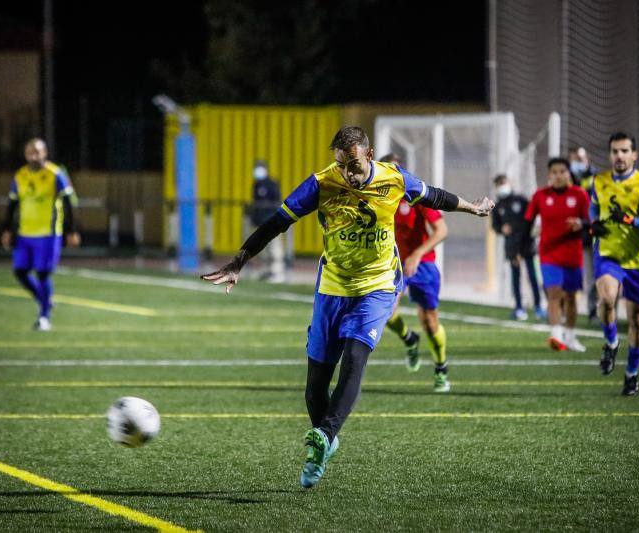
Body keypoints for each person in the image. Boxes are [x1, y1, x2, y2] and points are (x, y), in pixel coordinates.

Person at [202, 126, 493, 488]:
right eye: (341, 166)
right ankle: (328, 440)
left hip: (378, 285)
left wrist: (472, 207)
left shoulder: (394, 178)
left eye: (353, 165)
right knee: (313, 391)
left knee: (355, 359)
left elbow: (433, 196)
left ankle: (322, 437)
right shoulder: (321, 184)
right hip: (333, 287)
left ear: (368, 155)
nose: (348, 174)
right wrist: (239, 261)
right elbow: (277, 223)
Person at [589, 132, 639, 395]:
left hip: (637, 260)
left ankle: (632, 373)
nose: (619, 156)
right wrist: (593, 226)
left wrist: (631, 221)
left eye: (624, 151)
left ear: (634, 155)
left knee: (636, 320)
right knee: (608, 299)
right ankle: (611, 342)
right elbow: (593, 210)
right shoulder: (598, 181)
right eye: (615, 151)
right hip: (608, 255)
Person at [378, 153, 451, 393]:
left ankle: (441, 367)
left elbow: (441, 230)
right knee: (386, 311)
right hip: (393, 263)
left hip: (423, 264)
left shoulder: (417, 196)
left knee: (430, 322)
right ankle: (410, 339)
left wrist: (417, 254)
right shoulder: (377, 199)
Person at [1, 138, 80, 331]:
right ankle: (45, 299)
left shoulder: (55, 174)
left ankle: (44, 317)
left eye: (37, 152)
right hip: (25, 233)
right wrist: (8, 229)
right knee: (20, 272)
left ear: (45, 152)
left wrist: (72, 230)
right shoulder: (20, 175)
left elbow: (69, 203)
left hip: (48, 233)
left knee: (43, 274)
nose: (33, 156)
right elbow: (12, 204)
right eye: (30, 152)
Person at [524, 158, 590, 352]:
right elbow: (528, 221)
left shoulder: (579, 195)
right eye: (554, 172)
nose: (558, 175)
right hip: (548, 254)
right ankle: (556, 335)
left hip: (572, 255)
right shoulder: (540, 195)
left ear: (569, 174)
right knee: (553, 292)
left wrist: (581, 224)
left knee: (570, 297)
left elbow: (591, 221)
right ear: (549, 175)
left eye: (562, 171)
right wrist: (522, 247)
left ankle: (570, 336)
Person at [491, 174, 544, 321]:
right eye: (499, 184)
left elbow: (530, 221)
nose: (502, 186)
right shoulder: (497, 206)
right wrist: (502, 229)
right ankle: (519, 307)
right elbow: (495, 226)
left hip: (527, 246)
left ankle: (539, 306)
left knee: (533, 277)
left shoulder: (521, 200)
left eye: (504, 182)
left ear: (509, 183)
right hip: (512, 248)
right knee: (515, 278)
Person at [569, 146, 600, 322]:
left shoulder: (596, 179)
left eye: (580, 159)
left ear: (587, 160)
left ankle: (593, 311)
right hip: (570, 237)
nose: (577, 163)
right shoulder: (566, 179)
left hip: (591, 236)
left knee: (594, 276)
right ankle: (565, 309)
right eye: (575, 159)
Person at [249, 159, 284, 281]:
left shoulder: (272, 184)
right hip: (260, 222)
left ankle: (277, 273)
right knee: (261, 248)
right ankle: (266, 271)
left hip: (272, 221)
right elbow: (256, 203)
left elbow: (277, 202)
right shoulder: (256, 184)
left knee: (274, 247)